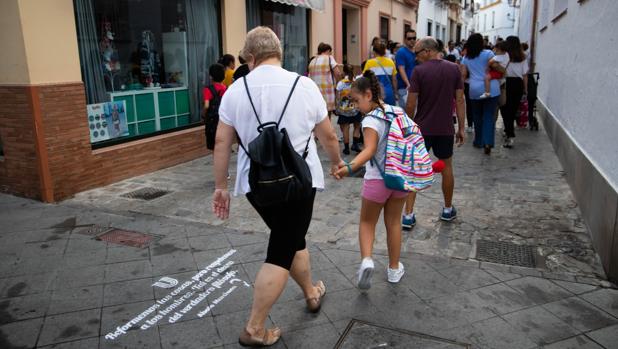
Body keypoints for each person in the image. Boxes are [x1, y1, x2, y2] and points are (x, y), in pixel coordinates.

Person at [212, 26, 343, 347]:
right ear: (279, 53)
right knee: (283, 246)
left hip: (257, 184)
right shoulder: (304, 85)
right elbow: (327, 135)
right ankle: (254, 328)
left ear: (250, 57)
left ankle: (311, 292)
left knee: (291, 236)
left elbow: (220, 141)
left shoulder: (234, 91)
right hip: (300, 181)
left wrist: (220, 186)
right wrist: (336, 162)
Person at [333, 70, 408, 290]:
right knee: (394, 223)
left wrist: (349, 167)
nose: (356, 106)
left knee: (367, 222)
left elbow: (370, 149)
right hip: (399, 178)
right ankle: (394, 269)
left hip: (377, 180)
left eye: (356, 100)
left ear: (368, 94)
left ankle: (367, 260)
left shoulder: (370, 120)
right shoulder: (397, 111)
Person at [403, 37, 465, 228]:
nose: (415, 58)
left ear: (428, 51)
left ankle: (408, 215)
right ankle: (447, 209)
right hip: (445, 128)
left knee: (413, 170)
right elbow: (460, 100)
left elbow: (411, 103)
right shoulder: (454, 69)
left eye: (417, 53)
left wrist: (406, 127)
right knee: (446, 167)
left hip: (422, 129)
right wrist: (461, 128)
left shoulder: (419, 72)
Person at [461, 33, 505, 155]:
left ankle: (478, 140)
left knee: (476, 115)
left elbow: (463, 74)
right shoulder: (488, 54)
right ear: (482, 43)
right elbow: (496, 66)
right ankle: (488, 142)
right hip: (491, 88)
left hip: (474, 89)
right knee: (488, 115)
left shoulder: (466, 57)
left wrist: (459, 88)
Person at [499, 36, 528, 148]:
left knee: (504, 108)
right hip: (518, 84)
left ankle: (509, 133)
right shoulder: (522, 57)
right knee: (512, 109)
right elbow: (524, 75)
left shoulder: (504, 56)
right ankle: (509, 133)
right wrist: (525, 89)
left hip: (506, 83)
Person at [308, 43, 342, 119]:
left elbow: (309, 77)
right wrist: (339, 84)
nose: (331, 53)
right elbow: (337, 73)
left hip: (315, 93)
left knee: (317, 116)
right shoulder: (329, 58)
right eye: (330, 52)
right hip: (327, 92)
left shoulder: (312, 61)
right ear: (327, 50)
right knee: (327, 116)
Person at [335, 64, 363, 155]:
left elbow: (337, 97)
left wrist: (337, 107)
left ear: (344, 71)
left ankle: (346, 149)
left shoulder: (341, 83)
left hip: (344, 109)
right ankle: (355, 144)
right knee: (357, 126)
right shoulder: (356, 81)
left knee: (346, 128)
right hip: (355, 108)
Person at [203, 63, 227, 150]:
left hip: (212, 121)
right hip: (223, 120)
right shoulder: (225, 88)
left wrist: (204, 114)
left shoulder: (207, 89)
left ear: (210, 76)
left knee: (213, 145)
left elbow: (206, 105)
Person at [395, 29, 418, 109]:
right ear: (405, 40)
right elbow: (401, 69)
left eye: (414, 38)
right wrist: (408, 84)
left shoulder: (417, 51)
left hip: (416, 87)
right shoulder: (401, 52)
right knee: (405, 112)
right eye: (409, 38)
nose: (412, 40)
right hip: (404, 87)